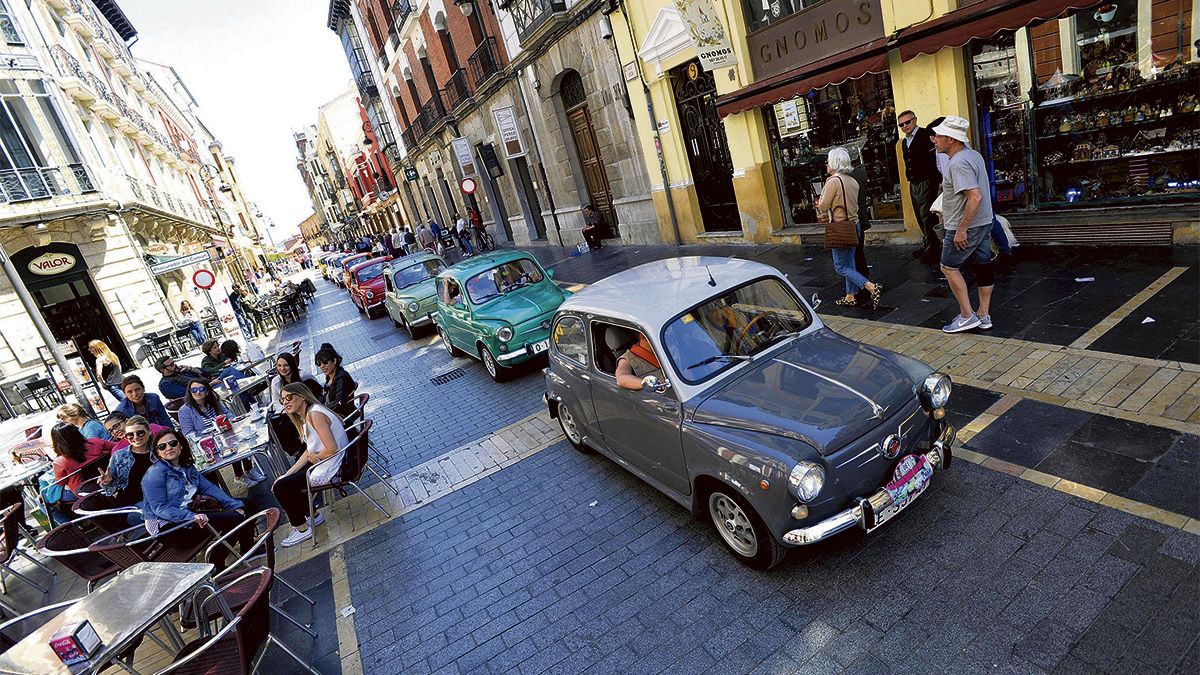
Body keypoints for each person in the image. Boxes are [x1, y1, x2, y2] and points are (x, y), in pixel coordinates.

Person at [141, 429, 250, 571]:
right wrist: (191, 516)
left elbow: (209, 488)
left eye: (173, 443)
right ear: (157, 452)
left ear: (181, 445)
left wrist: (234, 505)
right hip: (169, 528)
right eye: (162, 446)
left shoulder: (186, 467)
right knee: (235, 519)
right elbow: (160, 509)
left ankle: (247, 550)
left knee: (245, 504)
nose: (168, 448)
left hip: (189, 515)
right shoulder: (155, 474)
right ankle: (216, 564)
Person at [931, 115, 996, 333]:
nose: (935, 139)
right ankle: (983, 314)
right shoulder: (973, 155)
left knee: (948, 267)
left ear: (952, 139)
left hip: (968, 225)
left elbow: (974, 196)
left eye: (939, 135)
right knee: (983, 265)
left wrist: (961, 229)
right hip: (984, 221)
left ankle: (967, 315)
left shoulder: (958, 162)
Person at [271, 383, 350, 547]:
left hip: (334, 468)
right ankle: (313, 515)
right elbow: (308, 453)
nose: (286, 402)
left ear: (302, 396)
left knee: (281, 488)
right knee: (284, 482)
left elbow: (331, 449)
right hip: (331, 463)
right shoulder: (309, 414)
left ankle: (302, 528)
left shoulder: (315, 415)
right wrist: (286, 475)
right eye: (282, 400)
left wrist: (316, 456)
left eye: (289, 397)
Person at [817, 147, 883, 308]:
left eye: (828, 161)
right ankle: (850, 296)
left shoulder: (833, 181)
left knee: (840, 267)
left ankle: (871, 287)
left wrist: (820, 200)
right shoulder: (852, 181)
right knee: (850, 263)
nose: (826, 164)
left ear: (834, 162)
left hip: (840, 227)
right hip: (855, 226)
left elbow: (823, 207)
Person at [179, 379, 264, 488]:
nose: (197, 392)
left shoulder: (213, 401)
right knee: (232, 443)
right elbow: (188, 434)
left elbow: (227, 414)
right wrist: (210, 432)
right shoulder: (185, 410)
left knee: (243, 438)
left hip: (224, 434)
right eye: (194, 390)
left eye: (201, 389)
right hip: (207, 442)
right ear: (190, 392)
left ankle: (248, 470)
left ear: (207, 391)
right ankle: (239, 476)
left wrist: (232, 420)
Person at [897, 110, 942, 263]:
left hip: (926, 180)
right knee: (919, 214)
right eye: (901, 125)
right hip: (914, 182)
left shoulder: (925, 135)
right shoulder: (904, 142)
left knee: (927, 215)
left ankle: (934, 248)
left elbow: (935, 159)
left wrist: (937, 181)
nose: (905, 126)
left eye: (907, 122)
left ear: (915, 120)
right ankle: (928, 243)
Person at [98, 415, 158, 511]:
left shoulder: (159, 449)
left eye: (140, 433)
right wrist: (107, 482)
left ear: (149, 431)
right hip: (134, 505)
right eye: (130, 435)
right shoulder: (118, 456)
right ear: (126, 437)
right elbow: (111, 489)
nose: (135, 437)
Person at [49, 422, 113, 496]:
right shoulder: (96, 442)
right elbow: (117, 447)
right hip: (110, 478)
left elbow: (61, 482)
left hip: (85, 493)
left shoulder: (60, 462)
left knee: (47, 496)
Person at [315, 343, 356, 420]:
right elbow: (324, 395)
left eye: (325, 362)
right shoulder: (330, 377)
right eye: (319, 364)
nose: (322, 366)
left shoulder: (341, 378)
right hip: (332, 413)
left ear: (334, 360)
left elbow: (339, 401)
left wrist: (322, 409)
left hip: (342, 416)